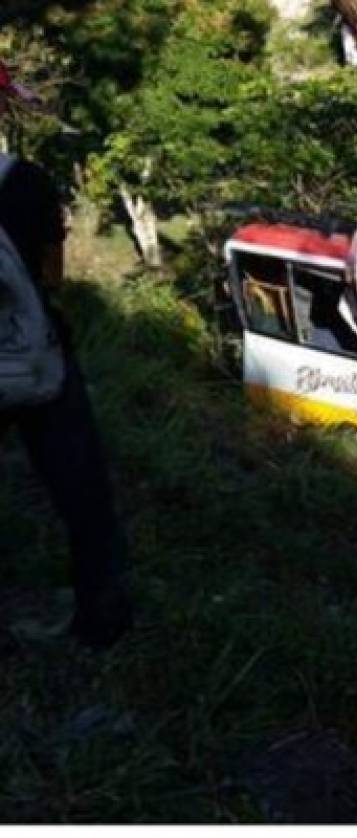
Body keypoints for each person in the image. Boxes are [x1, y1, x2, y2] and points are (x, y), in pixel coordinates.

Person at [0, 61, 131, 649]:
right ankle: (101, 618)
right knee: (81, 490)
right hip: (37, 361)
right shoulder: (26, 181)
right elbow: (53, 277)